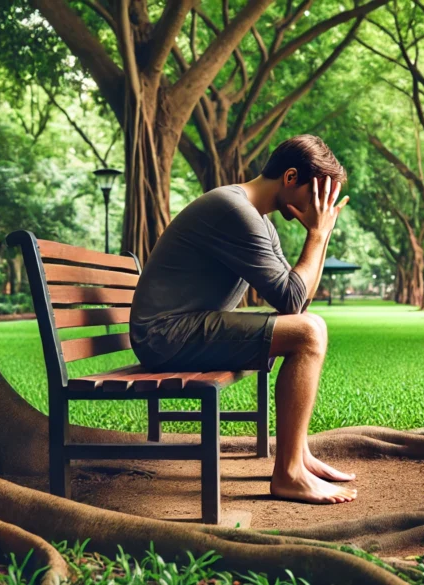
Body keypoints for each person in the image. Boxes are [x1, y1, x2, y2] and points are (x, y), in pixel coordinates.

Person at [130, 135, 356, 505]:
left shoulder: (259, 221)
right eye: (317, 196)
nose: (320, 207)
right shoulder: (233, 210)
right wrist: (318, 233)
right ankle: (288, 473)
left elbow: (295, 303)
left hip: (182, 329)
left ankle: (297, 456)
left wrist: (322, 234)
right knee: (310, 333)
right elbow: (293, 299)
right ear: (290, 177)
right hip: (164, 335)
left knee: (308, 327)